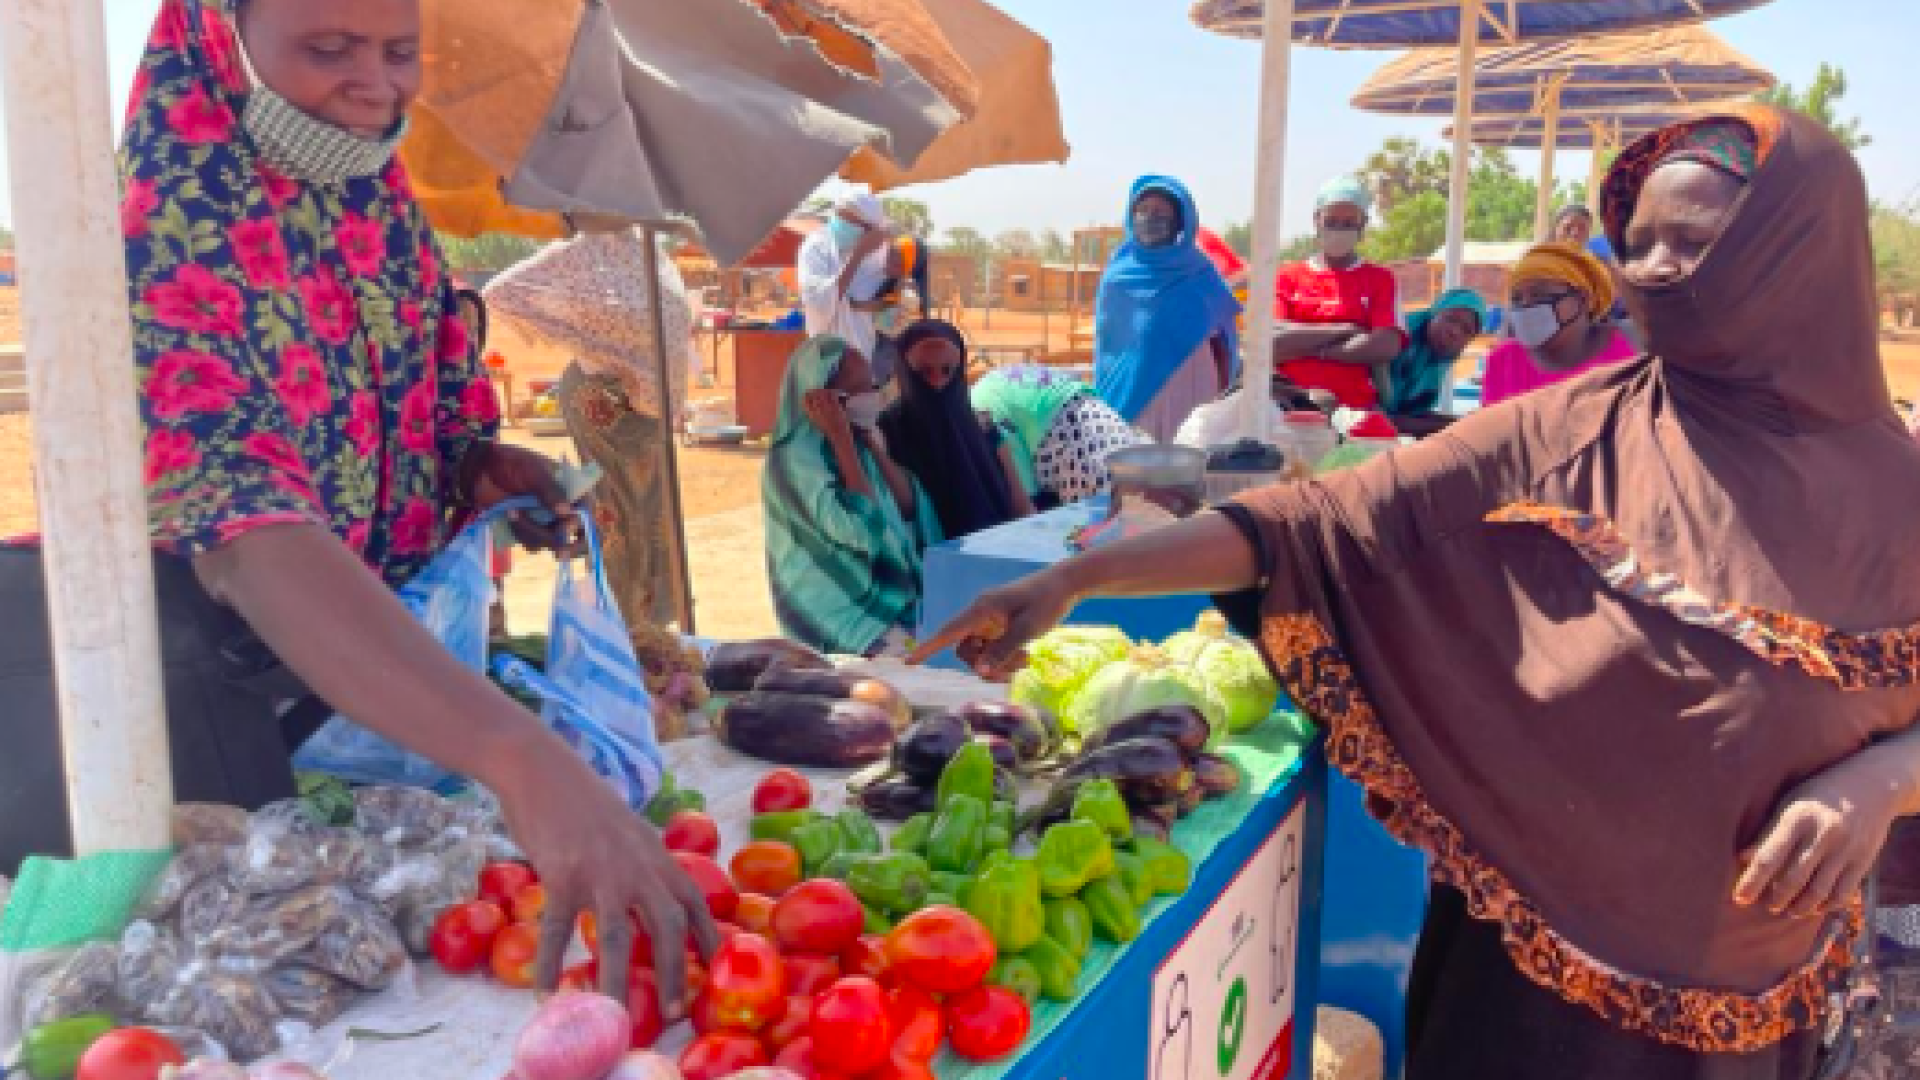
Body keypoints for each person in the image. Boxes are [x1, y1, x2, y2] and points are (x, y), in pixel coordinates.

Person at [916, 106, 1920, 1078]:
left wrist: (1876, 785)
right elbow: (1325, 525)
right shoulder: (1569, 430)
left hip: (1749, 1009)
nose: (1650, 272)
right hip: (1522, 989)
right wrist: (1081, 574)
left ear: (1798, 253)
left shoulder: (1902, 490)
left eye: (1690, 243)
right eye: (1638, 242)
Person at [0, 0, 727, 1005]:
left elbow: (418, 407)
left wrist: (480, 467)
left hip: (341, 686)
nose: (375, 84)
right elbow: (247, 536)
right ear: (223, 34)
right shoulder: (164, 219)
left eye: (398, 51)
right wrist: (520, 759)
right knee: (215, 989)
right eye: (328, 49)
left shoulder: (375, 203)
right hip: (171, 689)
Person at [483, 226, 690, 633]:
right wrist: (584, 341)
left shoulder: (648, 251)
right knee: (617, 513)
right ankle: (625, 628)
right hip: (604, 401)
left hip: (645, 410)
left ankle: (644, 626)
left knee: (652, 516)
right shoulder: (577, 255)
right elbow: (499, 292)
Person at [763, 337, 940, 658]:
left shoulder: (861, 445)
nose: (871, 397)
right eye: (859, 391)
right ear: (821, 399)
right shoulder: (795, 458)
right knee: (924, 663)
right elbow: (861, 530)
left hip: (888, 603)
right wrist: (841, 439)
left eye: (871, 386)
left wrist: (869, 444)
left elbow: (909, 506)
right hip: (838, 612)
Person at [1092, 176, 1241, 442]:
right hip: (1135, 396)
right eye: (1143, 211)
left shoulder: (1200, 271)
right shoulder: (1118, 275)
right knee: (1137, 471)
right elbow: (1109, 349)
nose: (1150, 218)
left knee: (1190, 463)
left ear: (1180, 220)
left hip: (1192, 386)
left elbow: (1225, 334)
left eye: (1160, 212)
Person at [877, 319, 1033, 539]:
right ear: (904, 371)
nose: (937, 382)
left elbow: (1021, 506)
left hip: (996, 551)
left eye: (947, 370)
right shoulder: (887, 430)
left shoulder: (982, 425)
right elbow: (900, 511)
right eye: (923, 372)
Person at [1272, 176, 1408, 410]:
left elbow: (1385, 345)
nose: (1339, 229)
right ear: (1317, 220)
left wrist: (1308, 345)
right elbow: (1272, 342)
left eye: (1349, 223)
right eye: (1332, 221)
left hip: (1355, 409)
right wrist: (1346, 330)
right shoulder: (1287, 277)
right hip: (1288, 405)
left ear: (1363, 224)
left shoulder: (1379, 279)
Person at [1480, 242, 1638, 407]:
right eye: (1517, 299)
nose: (1526, 306)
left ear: (1583, 299)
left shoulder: (1628, 357)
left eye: (1540, 295)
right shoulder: (1503, 361)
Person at [971, 364, 1146, 509]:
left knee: (1094, 541)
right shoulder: (991, 383)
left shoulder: (981, 410)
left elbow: (1025, 499)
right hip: (1113, 433)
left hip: (1079, 449)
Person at [797, 192, 893, 362]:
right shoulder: (817, 246)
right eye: (840, 218)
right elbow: (818, 300)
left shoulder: (881, 255)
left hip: (869, 354)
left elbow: (891, 305)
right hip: (827, 356)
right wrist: (858, 255)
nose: (842, 225)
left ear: (870, 229)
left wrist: (880, 307)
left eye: (851, 222)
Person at [1380, 288, 1486, 436]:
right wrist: (1458, 425)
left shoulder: (1435, 359)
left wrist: (1464, 422)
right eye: (1451, 319)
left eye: (1467, 330)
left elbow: (1411, 414)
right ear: (1434, 313)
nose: (1455, 332)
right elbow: (1381, 420)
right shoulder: (1393, 338)